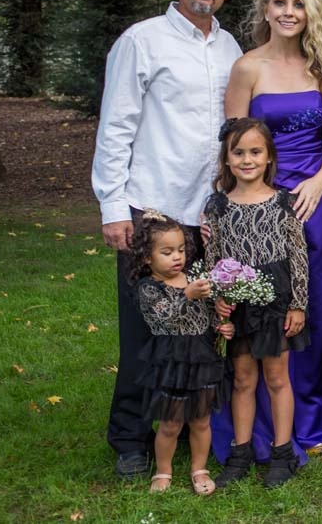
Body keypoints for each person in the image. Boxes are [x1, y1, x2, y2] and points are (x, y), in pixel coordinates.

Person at [214, 0, 322, 461]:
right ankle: (265, 424)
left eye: (298, 4)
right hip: (260, 204)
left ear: (311, 13)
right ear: (265, 9)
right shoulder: (247, 68)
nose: (289, 12)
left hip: (314, 202)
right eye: (280, 3)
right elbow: (234, 144)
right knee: (266, 310)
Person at [91, 0, 241, 479]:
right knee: (144, 330)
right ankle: (130, 439)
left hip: (206, 215)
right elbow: (116, 125)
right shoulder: (142, 41)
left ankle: (186, 427)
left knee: (196, 331)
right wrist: (114, 206)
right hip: (150, 209)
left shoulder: (230, 48)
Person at [206, 118, 310, 488]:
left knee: (277, 377)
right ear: (227, 159)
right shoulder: (218, 206)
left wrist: (298, 303)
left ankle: (282, 454)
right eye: (238, 153)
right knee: (243, 379)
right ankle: (241, 452)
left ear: (268, 158)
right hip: (238, 303)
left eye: (255, 152)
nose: (247, 159)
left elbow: (299, 256)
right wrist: (218, 300)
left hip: (276, 299)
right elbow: (213, 257)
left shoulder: (284, 202)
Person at [128, 210, 233, 495]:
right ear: (147, 257)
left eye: (181, 250)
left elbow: (206, 316)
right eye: (167, 252)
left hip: (202, 358)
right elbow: (164, 317)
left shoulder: (193, 279)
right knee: (170, 422)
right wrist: (187, 295)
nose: (177, 257)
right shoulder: (149, 288)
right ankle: (164, 470)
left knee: (201, 420)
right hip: (171, 361)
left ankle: (200, 468)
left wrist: (222, 325)